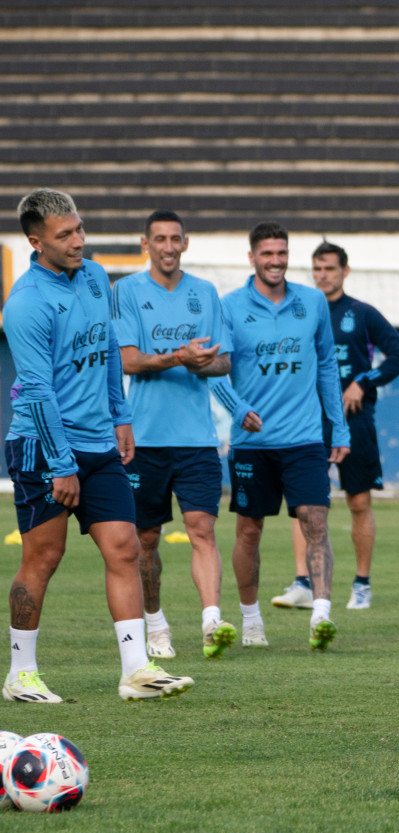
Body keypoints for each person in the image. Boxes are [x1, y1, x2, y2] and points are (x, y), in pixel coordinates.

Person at [4, 189, 193, 702]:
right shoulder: (25, 304)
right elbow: (38, 392)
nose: (77, 241)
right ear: (35, 241)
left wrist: (121, 415)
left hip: (97, 442)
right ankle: (20, 674)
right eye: (64, 235)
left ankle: (137, 671)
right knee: (43, 557)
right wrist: (62, 465)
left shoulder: (93, 276)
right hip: (44, 446)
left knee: (125, 548)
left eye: (80, 229)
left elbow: (108, 347)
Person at [216, 222, 349, 652]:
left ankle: (322, 615)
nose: (276, 261)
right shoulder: (230, 306)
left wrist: (339, 425)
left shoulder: (311, 302)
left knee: (315, 520)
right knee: (249, 532)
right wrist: (239, 410)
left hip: (305, 437)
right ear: (251, 257)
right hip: (252, 443)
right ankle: (251, 620)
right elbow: (213, 371)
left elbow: (327, 366)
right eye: (267, 254)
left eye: (282, 253)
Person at [113, 210, 238, 661]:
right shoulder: (126, 290)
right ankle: (156, 624)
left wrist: (206, 362)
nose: (168, 246)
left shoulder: (205, 293)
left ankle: (211, 621)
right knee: (145, 540)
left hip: (197, 438)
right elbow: (127, 360)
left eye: (176, 239)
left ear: (186, 244)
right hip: (144, 438)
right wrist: (179, 357)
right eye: (159, 239)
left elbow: (225, 362)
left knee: (202, 528)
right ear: (145, 244)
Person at [276, 242, 399, 611]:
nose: (323, 275)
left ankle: (361, 584)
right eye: (317, 268)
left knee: (358, 502)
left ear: (345, 272)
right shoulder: (299, 311)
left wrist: (363, 381)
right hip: (306, 419)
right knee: (305, 505)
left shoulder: (361, 313)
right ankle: (303, 582)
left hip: (354, 419)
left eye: (330, 269)